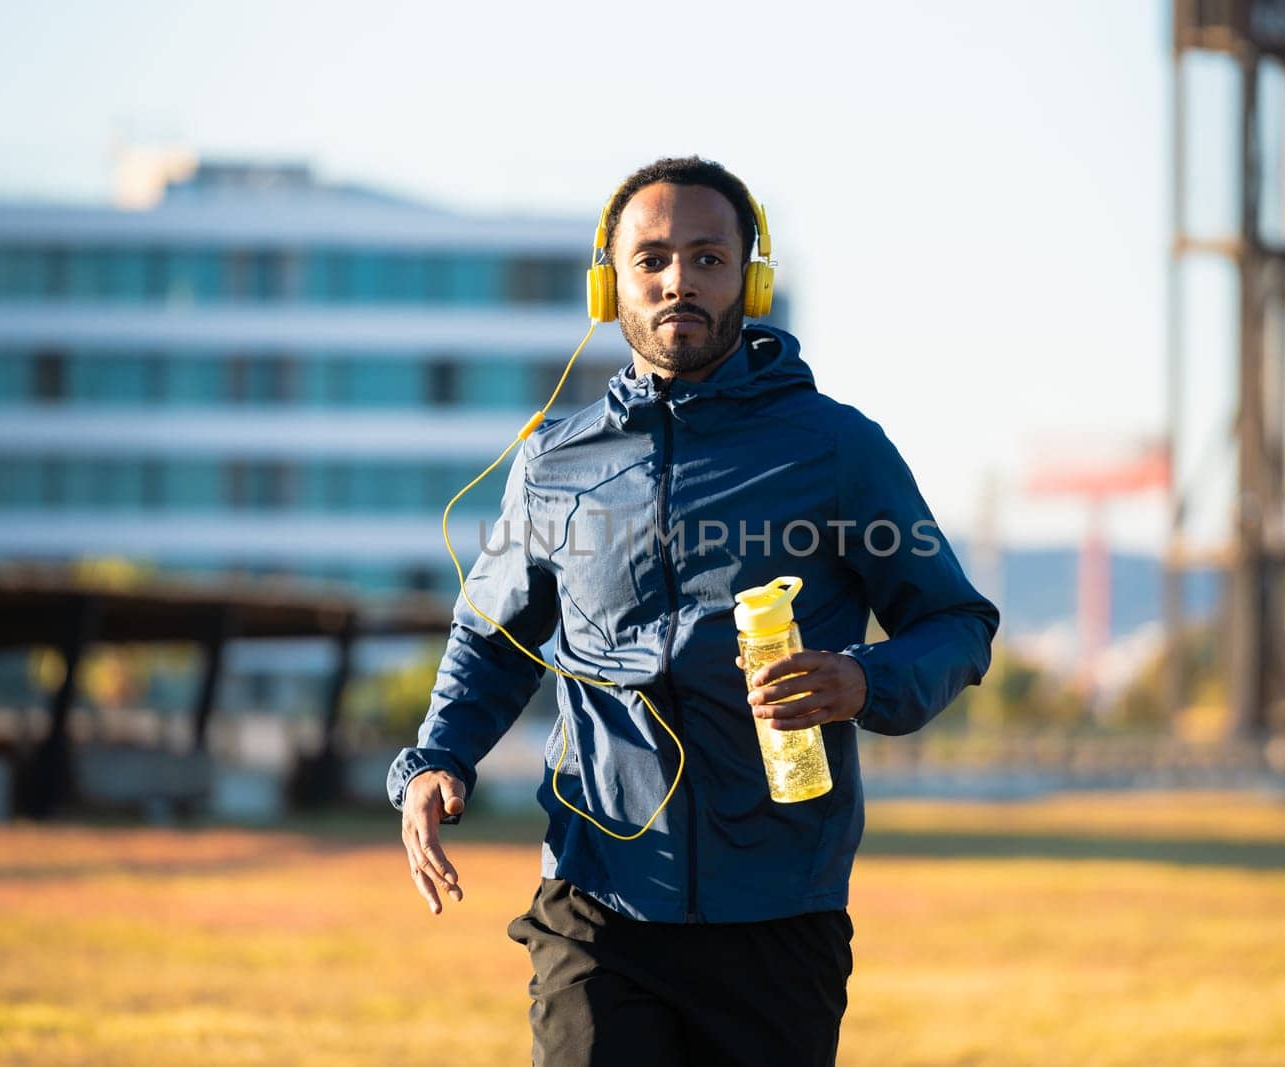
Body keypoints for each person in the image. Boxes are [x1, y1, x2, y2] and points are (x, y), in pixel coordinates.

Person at [389, 156, 998, 1066]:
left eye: (709, 258)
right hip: (597, 900)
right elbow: (493, 635)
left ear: (750, 281)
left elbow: (957, 623)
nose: (680, 280)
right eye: (653, 259)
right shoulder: (553, 460)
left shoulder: (837, 449)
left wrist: (863, 678)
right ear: (610, 284)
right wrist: (439, 758)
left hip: (780, 909)